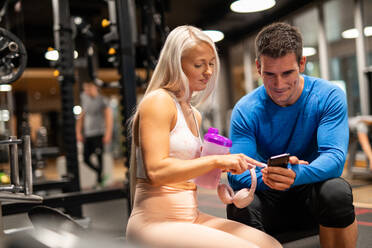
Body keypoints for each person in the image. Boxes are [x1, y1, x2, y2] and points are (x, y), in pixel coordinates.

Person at [125, 25, 281, 248]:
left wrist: (227, 165)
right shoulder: (158, 102)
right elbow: (156, 171)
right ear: (176, 64)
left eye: (210, 64)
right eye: (199, 64)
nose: (208, 71)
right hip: (154, 221)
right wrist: (215, 160)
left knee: (270, 245)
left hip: (190, 215)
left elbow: (193, 173)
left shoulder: (193, 113)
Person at [226, 22, 358, 248]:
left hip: (311, 199)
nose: (279, 84)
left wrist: (295, 173)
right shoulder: (245, 109)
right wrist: (275, 174)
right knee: (240, 204)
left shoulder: (328, 96)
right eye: (269, 74)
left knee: (336, 191)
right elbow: (237, 175)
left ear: (302, 63)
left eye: (288, 73)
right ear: (258, 67)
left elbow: (335, 160)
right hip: (269, 205)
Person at [76, 81, 113, 186]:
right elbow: (81, 117)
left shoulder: (102, 100)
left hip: (99, 133)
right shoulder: (85, 99)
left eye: (88, 88)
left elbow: (108, 117)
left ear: (94, 88)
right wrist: (78, 132)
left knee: (99, 157)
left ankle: (99, 181)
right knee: (85, 159)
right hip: (88, 134)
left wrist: (108, 133)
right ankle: (100, 174)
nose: (86, 91)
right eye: (85, 89)